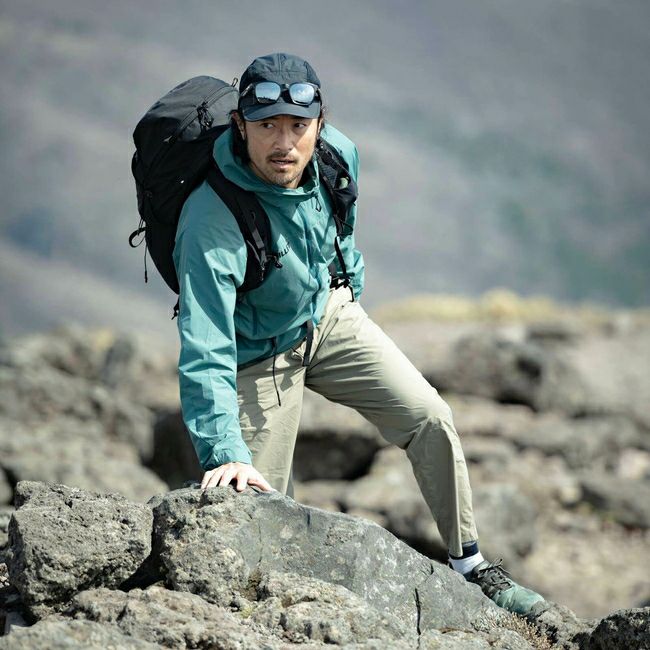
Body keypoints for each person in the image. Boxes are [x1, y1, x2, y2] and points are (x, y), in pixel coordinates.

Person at [173, 52, 544, 616]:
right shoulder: (210, 219)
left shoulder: (336, 157)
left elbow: (339, 228)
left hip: (324, 316)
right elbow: (206, 346)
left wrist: (346, 286)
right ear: (241, 125)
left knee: (431, 417)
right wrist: (225, 450)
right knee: (254, 510)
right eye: (267, 125)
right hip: (255, 355)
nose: (284, 143)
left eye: (298, 126)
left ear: (318, 124)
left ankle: (471, 566)